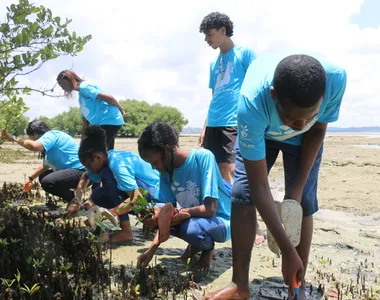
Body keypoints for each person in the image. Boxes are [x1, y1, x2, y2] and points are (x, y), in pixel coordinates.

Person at [204, 53, 347, 300]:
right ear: (273, 95)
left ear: (322, 98)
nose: (300, 124)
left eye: (309, 115)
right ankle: (240, 285)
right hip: (262, 134)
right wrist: (286, 248)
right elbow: (259, 186)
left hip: (307, 142)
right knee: (241, 194)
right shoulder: (251, 103)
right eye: (292, 118)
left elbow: (317, 128)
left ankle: (297, 287)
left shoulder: (335, 79)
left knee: (303, 203)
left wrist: (296, 191)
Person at [136, 122, 231, 275]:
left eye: (154, 162)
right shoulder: (166, 171)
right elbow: (166, 214)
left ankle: (208, 249)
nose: (154, 167)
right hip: (196, 218)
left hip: (221, 220)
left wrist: (180, 212)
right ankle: (195, 245)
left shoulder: (203, 157)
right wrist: (151, 249)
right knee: (157, 216)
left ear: (167, 149)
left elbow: (210, 209)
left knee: (192, 229)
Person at [66, 125, 160, 243]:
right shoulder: (107, 158)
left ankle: (126, 231)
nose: (88, 169)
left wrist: (108, 214)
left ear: (98, 157)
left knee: (106, 175)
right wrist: (77, 201)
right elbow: (85, 176)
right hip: (140, 193)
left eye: (88, 165)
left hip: (155, 195)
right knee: (96, 194)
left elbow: (136, 198)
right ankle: (128, 226)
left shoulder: (116, 164)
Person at [198, 12, 256, 182]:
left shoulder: (245, 53)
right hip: (214, 122)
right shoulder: (213, 63)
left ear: (223, 30)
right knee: (218, 169)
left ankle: (245, 205)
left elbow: (256, 86)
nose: (207, 39)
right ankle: (228, 208)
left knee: (234, 168)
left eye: (209, 34)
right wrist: (205, 126)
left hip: (234, 121)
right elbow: (214, 97)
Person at [1, 120, 85, 202]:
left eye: (32, 139)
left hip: (82, 173)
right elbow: (45, 166)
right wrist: (30, 179)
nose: (33, 141)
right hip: (72, 173)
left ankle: (73, 201)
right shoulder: (49, 145)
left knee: (48, 182)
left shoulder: (51, 135)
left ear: (36, 134)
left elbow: (34, 146)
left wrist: (13, 139)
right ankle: (71, 199)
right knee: (43, 176)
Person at [56, 70, 125, 150]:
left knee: (98, 153)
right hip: (105, 122)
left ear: (69, 79)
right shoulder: (82, 99)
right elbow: (85, 124)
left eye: (62, 84)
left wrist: (121, 109)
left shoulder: (85, 87)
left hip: (108, 120)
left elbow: (109, 98)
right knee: (105, 152)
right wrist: (81, 146)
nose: (62, 88)